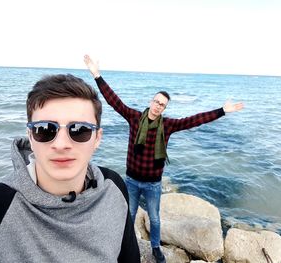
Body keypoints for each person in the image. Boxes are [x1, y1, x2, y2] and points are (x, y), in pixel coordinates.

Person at [84, 54, 244, 263]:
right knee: (130, 215)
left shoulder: (167, 126)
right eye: (156, 101)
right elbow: (114, 100)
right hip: (132, 180)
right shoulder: (134, 118)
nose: (158, 106)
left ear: (164, 108)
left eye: (162, 105)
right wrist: (97, 75)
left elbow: (194, 120)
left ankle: (156, 247)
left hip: (153, 184)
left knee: (155, 218)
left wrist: (222, 111)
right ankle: (127, 244)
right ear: (151, 102)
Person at [0, 74, 140, 262]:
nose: (61, 144)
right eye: (45, 129)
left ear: (97, 138)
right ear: (30, 136)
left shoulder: (113, 187)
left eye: (79, 130)